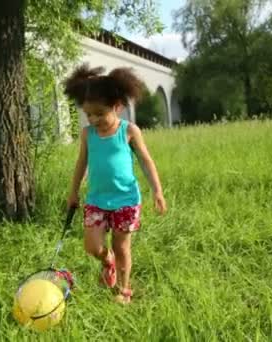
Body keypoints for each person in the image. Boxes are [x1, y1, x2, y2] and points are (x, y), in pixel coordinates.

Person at [63, 63, 167, 304]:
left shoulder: (129, 130)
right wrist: (73, 192)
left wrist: (157, 191)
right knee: (92, 246)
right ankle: (106, 260)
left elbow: (146, 161)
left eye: (100, 113)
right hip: (96, 200)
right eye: (88, 114)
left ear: (117, 107)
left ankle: (123, 289)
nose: (93, 119)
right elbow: (81, 164)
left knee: (122, 248)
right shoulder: (87, 134)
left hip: (126, 201)